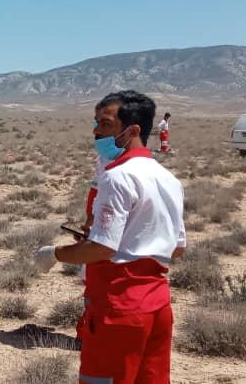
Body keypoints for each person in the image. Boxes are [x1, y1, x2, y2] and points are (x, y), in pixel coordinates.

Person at [34, 90, 186, 384]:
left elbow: (103, 248)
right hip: (157, 305)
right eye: (96, 122)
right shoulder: (169, 179)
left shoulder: (117, 177)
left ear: (132, 130)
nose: (95, 131)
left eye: (104, 124)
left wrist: (55, 253)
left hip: (118, 307)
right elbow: (177, 248)